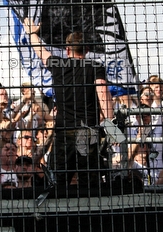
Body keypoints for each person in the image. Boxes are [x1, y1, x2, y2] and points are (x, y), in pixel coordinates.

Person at [23, 18, 114, 186]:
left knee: (58, 183)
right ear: (86, 49)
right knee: (90, 184)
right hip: (88, 132)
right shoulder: (94, 66)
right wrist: (111, 125)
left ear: (67, 49)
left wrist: (32, 34)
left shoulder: (59, 64)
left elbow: (40, 51)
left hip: (64, 132)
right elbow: (102, 92)